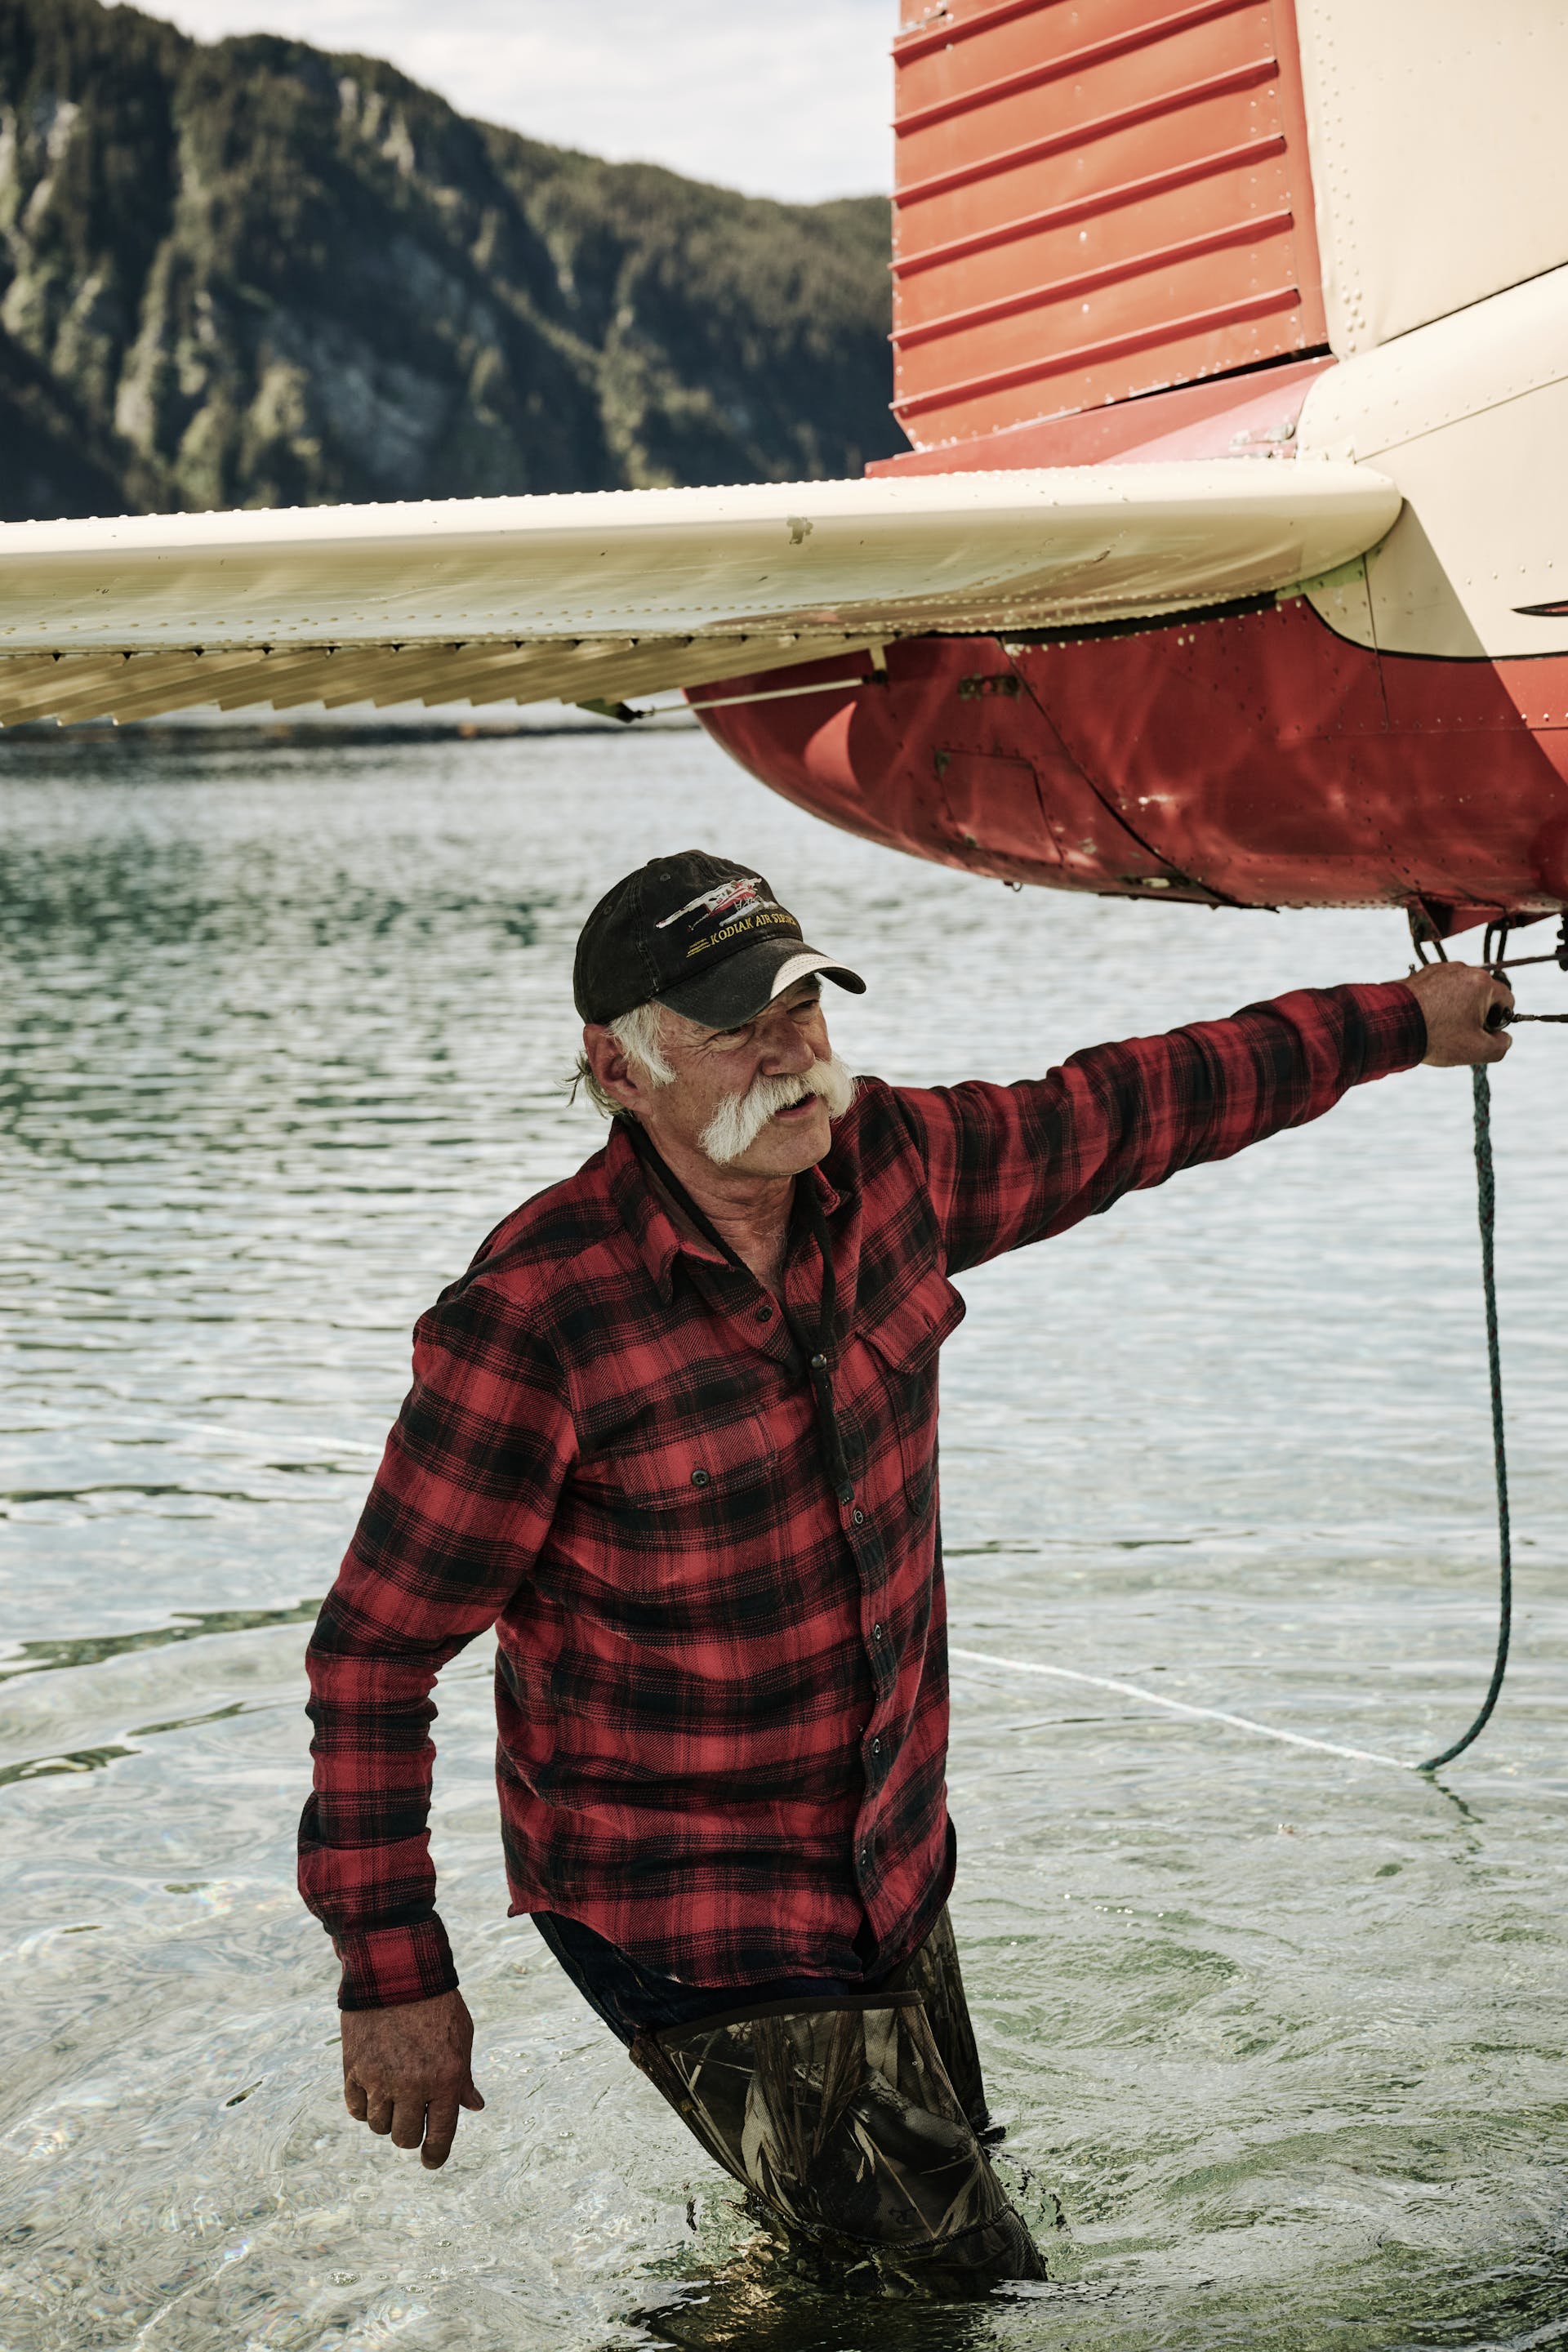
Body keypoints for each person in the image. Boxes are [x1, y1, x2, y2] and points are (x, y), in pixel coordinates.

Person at [298, 849, 1510, 2297]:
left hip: (888, 1861)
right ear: (619, 1072)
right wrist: (395, 1973)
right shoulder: (533, 1321)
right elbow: (372, 1657)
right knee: (969, 2288)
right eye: (738, 1026)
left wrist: (1403, 1021)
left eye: (804, 1006)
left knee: (880, 2257)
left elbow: (1139, 1102)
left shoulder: (894, 1171)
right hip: (688, 1908)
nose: (792, 1050)